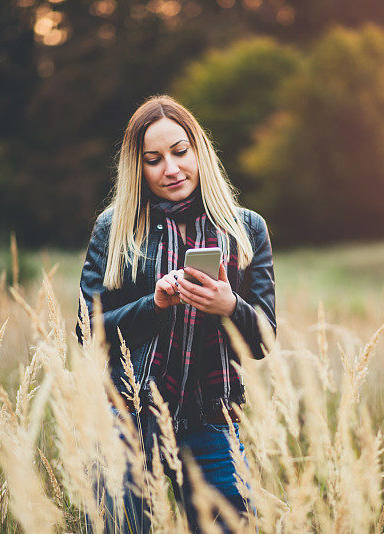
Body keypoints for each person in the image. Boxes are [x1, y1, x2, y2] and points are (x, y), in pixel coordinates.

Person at [77, 94, 276, 533]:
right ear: (138, 167)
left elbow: (263, 339)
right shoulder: (116, 227)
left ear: (198, 151)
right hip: (126, 413)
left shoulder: (246, 228)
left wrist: (229, 306)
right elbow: (86, 329)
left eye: (180, 152)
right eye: (154, 159)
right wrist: (156, 303)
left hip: (209, 415)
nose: (171, 169)